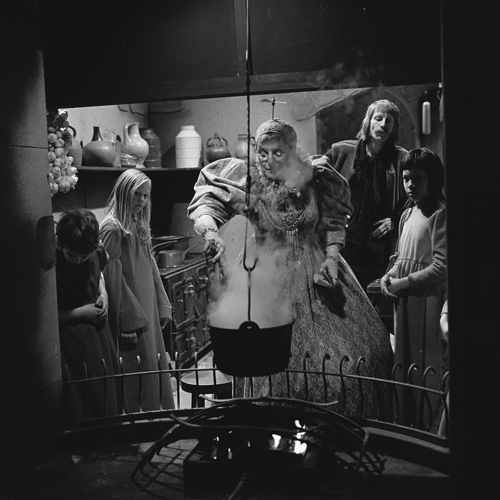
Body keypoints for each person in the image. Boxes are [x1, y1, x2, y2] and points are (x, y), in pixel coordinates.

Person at [187, 118, 393, 419]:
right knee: (266, 359)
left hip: (317, 269)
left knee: (356, 354)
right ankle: (270, 427)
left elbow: (334, 222)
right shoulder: (248, 181)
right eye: (262, 152)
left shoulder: (315, 178)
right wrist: (210, 233)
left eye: (278, 152)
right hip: (265, 274)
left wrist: (331, 257)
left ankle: (331, 426)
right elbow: (208, 203)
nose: (269, 160)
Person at [380, 148, 447, 430]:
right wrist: (389, 275)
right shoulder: (407, 214)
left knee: (425, 362)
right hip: (405, 298)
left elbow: (441, 267)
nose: (410, 185)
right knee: (405, 360)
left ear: (433, 179)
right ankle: (406, 423)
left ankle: (426, 426)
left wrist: (404, 283)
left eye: (418, 179)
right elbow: (401, 257)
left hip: (426, 298)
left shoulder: (439, 214)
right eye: (406, 178)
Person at [100, 169, 175, 412]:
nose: (142, 201)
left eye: (146, 196)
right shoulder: (112, 228)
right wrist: (127, 322)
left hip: (147, 306)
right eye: (137, 195)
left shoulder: (138, 223)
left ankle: (157, 419)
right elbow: (112, 279)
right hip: (132, 312)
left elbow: (151, 267)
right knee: (136, 374)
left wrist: (162, 305)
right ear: (124, 193)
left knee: (152, 364)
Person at [325, 99, 408, 292]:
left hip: (378, 249)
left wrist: (394, 220)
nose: (383, 124)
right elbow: (318, 172)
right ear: (368, 121)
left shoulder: (401, 158)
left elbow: (412, 198)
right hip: (345, 243)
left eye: (389, 121)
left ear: (394, 127)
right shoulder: (343, 151)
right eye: (378, 118)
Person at [56, 207, 119, 421]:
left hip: (99, 333)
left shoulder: (96, 251)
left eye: (84, 255)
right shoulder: (53, 263)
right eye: (71, 254)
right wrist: (81, 313)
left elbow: (99, 273)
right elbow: (48, 318)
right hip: (70, 338)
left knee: (104, 389)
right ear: (61, 244)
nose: (78, 259)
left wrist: (104, 294)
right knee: (81, 397)